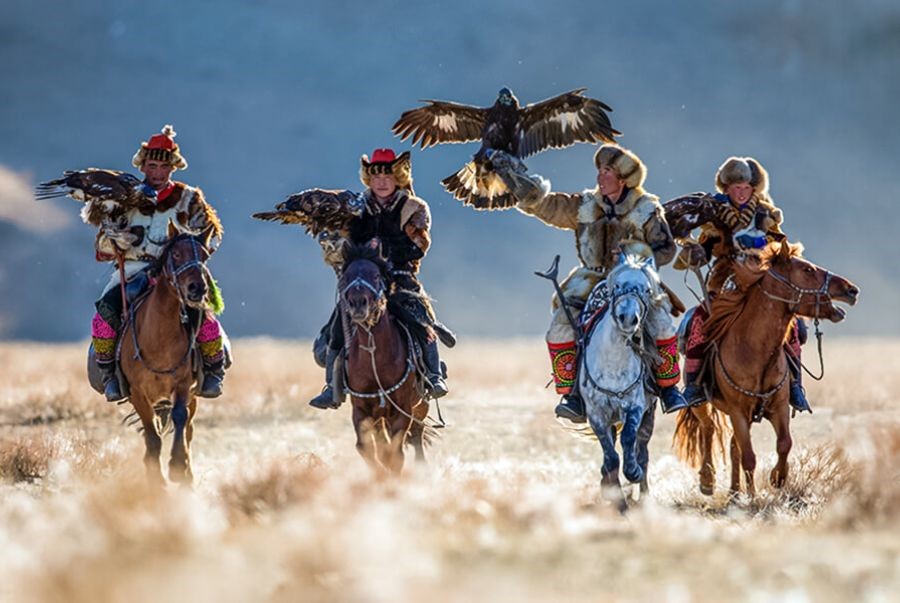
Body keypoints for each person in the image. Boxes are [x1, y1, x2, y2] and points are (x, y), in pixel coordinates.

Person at [493, 143, 689, 423]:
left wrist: (635, 257)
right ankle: (571, 394)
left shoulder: (647, 209)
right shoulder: (585, 204)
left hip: (634, 279)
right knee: (561, 325)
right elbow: (550, 207)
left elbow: (666, 249)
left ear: (623, 179)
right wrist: (523, 189)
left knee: (661, 323)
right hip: (592, 278)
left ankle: (669, 388)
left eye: (607, 171)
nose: (600, 176)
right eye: (599, 170)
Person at [91, 125, 227, 401]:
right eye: (152, 165)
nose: (157, 173)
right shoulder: (124, 199)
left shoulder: (189, 199)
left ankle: (213, 371)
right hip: (131, 270)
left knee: (205, 316)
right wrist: (119, 240)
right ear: (143, 165)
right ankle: (109, 375)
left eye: (163, 167)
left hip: (179, 271)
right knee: (105, 314)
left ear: (173, 168)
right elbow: (102, 244)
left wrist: (193, 254)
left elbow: (211, 236)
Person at [309, 148, 452, 409]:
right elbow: (347, 240)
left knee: (421, 320)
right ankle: (332, 386)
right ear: (369, 179)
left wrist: (383, 250)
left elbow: (419, 245)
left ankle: (433, 376)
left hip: (400, 277)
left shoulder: (414, 208)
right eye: (376, 177)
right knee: (340, 323)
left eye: (387, 176)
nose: (382, 182)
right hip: (363, 278)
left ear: (397, 177)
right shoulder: (356, 206)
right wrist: (334, 247)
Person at [675, 156, 811, 412]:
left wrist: (764, 248)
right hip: (725, 281)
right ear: (726, 189)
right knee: (699, 321)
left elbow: (781, 250)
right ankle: (693, 385)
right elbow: (704, 247)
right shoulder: (714, 215)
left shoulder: (766, 215)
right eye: (735, 188)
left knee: (792, 327)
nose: (741, 192)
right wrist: (694, 253)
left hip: (763, 284)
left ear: (754, 188)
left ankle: (795, 386)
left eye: (745, 187)